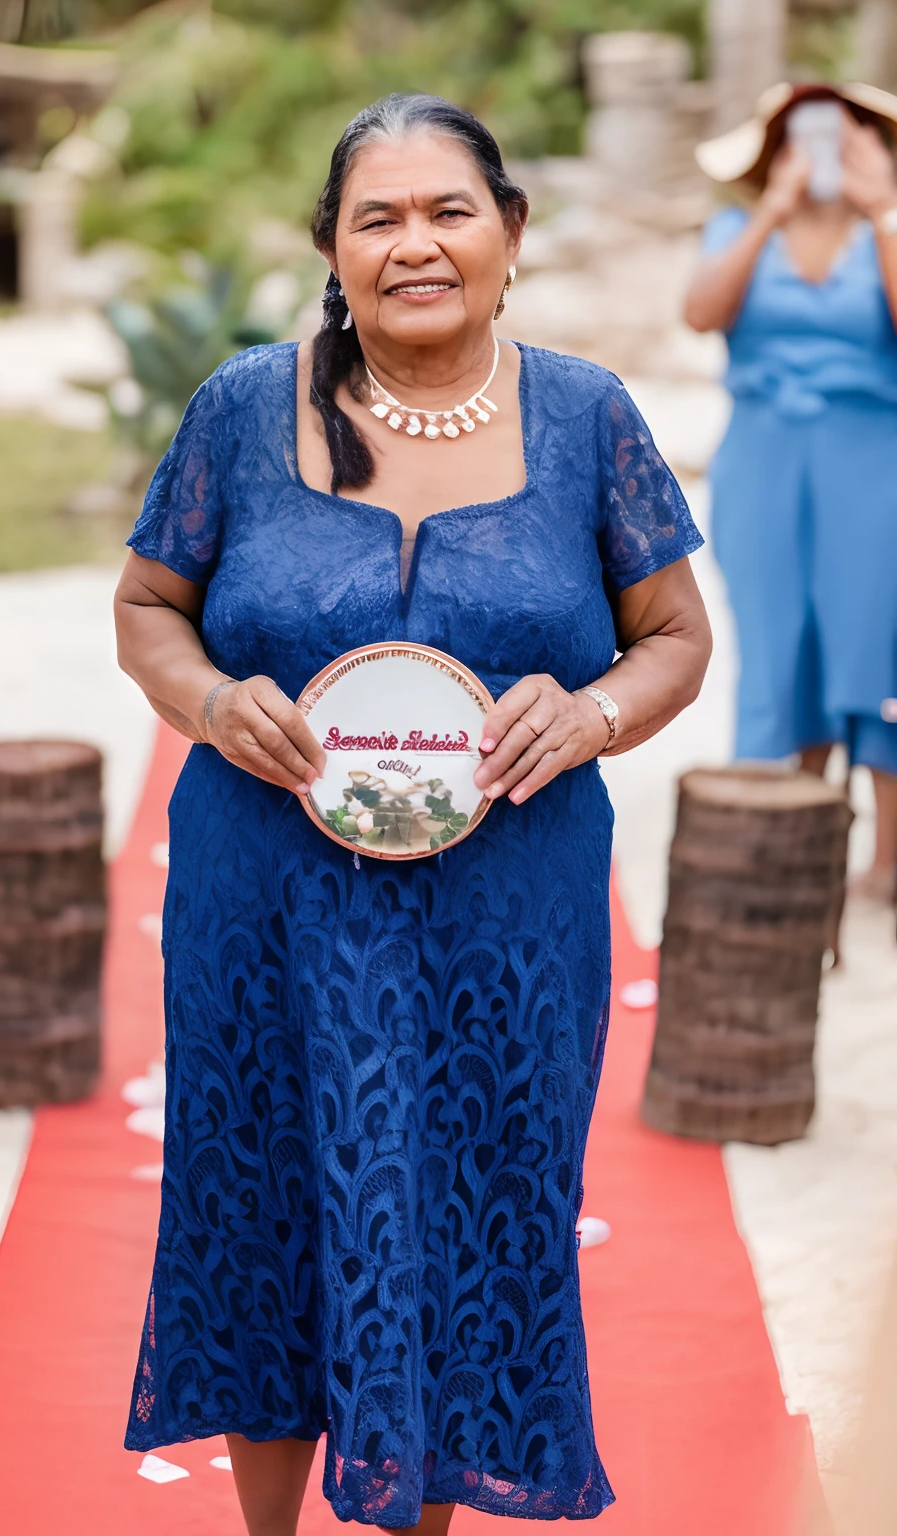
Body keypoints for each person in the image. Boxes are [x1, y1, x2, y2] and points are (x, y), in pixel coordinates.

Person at [114, 93, 711, 1534]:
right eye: (377, 217)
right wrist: (206, 703)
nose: (416, 244)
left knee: (466, 1208)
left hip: (510, 905)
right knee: (263, 1205)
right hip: (266, 890)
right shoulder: (245, 409)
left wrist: (593, 714)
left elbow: (674, 639)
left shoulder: (586, 418)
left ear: (511, 231)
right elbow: (149, 608)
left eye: (449, 210)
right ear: (331, 246)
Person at [685, 82, 897, 904]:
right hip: (763, 456)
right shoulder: (738, 227)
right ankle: (789, 846)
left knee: (874, 641)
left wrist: (881, 208)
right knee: (779, 644)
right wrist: (772, 210)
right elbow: (701, 312)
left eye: (844, 136)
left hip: (874, 458)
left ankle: (886, 865)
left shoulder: (887, 227)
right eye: (803, 136)